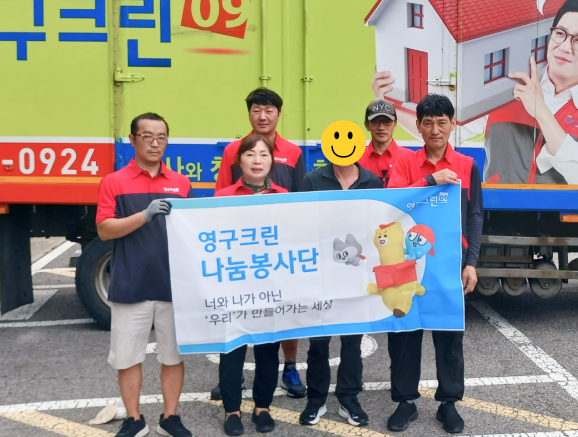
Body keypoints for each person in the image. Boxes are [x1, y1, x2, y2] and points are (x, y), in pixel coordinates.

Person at [386, 94, 483, 434]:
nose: (435, 129)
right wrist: (430, 180)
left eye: (442, 122)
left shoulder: (467, 165)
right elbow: (394, 204)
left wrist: (471, 262)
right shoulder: (405, 163)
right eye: (428, 123)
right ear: (418, 126)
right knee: (404, 333)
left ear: (452, 124)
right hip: (408, 264)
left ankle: (449, 403)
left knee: (449, 334)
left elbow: (475, 215)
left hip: (449, 264)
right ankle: (405, 401)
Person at [96, 113, 194, 437]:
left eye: (161, 137)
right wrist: (144, 215)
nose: (155, 143)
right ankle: (134, 419)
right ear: (132, 139)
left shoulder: (181, 183)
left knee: (173, 356)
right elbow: (104, 229)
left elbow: (193, 231)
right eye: (147, 136)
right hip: (130, 284)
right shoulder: (114, 182)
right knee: (127, 358)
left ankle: (170, 417)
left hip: (172, 285)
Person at [214, 87, 306, 399]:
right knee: (237, 312)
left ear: (279, 114)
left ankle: (290, 368)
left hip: (277, 250)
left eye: (269, 110)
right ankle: (234, 372)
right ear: (249, 114)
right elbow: (220, 199)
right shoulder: (233, 150)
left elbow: (299, 202)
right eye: (256, 110)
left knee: (284, 311)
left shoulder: (293, 152)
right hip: (240, 251)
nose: (262, 116)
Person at [298, 160, 382, 427]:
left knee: (352, 341)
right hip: (321, 274)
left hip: (356, 275)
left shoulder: (372, 181)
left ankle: (349, 398)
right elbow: (300, 224)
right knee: (318, 342)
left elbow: (377, 226)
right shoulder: (313, 180)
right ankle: (316, 399)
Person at [214, 134, 287, 436]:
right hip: (234, 285)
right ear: (239, 161)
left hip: (270, 284)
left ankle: (262, 407)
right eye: (250, 154)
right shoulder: (223, 197)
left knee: (268, 348)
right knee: (232, 348)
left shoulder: (285, 197)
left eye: (264, 155)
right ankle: (232, 410)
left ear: (272, 161)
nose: (257, 161)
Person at [484, 0, 578, 184]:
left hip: (558, 205)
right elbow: (445, 122)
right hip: (495, 203)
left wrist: (541, 112)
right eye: (560, 33)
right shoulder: (505, 88)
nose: (565, 47)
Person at [358, 99, 413, 187]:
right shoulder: (356, 159)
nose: (381, 127)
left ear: (394, 125)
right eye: (376, 121)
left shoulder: (410, 158)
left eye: (387, 122)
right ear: (367, 125)